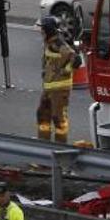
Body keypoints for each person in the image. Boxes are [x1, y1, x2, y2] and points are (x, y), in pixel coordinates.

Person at [37, 15, 77, 143]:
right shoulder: (48, 43)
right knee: (42, 115)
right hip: (49, 87)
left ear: (48, 30)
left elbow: (75, 59)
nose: (40, 31)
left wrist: (65, 70)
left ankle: (60, 150)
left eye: (42, 29)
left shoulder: (58, 44)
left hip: (60, 88)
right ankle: (43, 147)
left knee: (58, 119)